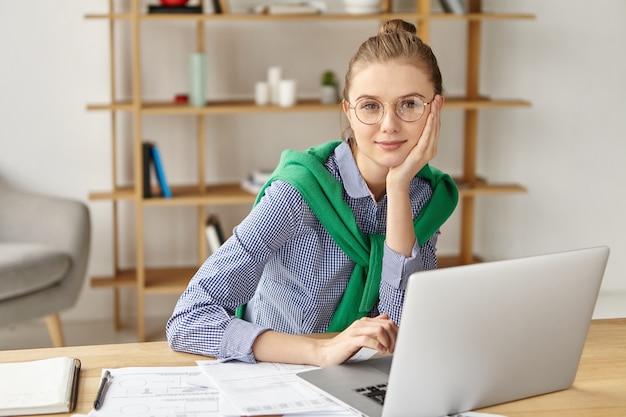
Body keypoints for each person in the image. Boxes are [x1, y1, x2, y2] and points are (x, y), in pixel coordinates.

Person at [166, 19, 458, 366]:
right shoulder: (299, 192)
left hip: (365, 377)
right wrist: (321, 351)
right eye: (370, 106)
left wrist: (398, 188)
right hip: (279, 374)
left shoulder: (426, 196)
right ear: (348, 111)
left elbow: (400, 330)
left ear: (435, 109)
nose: (389, 124)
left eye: (409, 104)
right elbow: (188, 320)